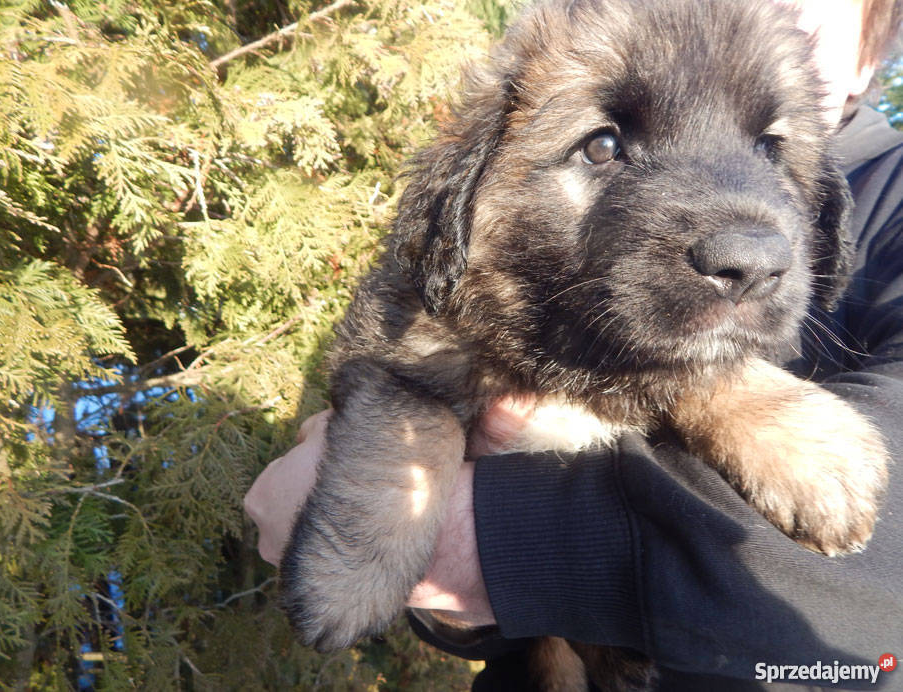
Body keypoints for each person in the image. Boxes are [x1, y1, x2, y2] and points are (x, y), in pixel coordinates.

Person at [244, 0, 903, 688]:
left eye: (769, 148)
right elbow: (394, 376)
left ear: (869, 53)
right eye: (604, 146)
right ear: (469, 192)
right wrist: (401, 537)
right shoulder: (457, 305)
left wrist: (492, 542)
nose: (749, 248)